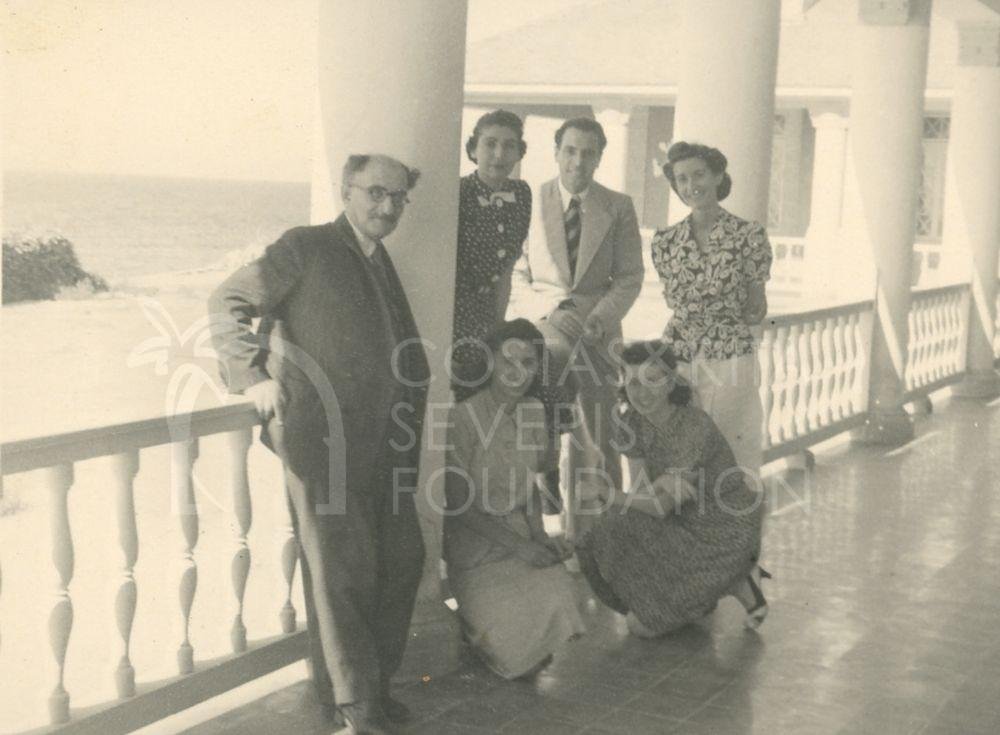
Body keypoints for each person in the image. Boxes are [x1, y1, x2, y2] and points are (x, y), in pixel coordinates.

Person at [209, 154, 428, 735]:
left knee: (403, 561)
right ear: (346, 190)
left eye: (398, 197)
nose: (387, 206)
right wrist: (251, 376)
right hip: (319, 441)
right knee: (341, 572)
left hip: (383, 446)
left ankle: (366, 689)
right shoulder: (304, 246)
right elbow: (228, 302)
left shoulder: (378, 259)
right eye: (375, 193)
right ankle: (359, 707)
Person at [576, 340, 769, 638]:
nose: (642, 393)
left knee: (640, 628)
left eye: (653, 380)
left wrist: (604, 492)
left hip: (722, 528)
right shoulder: (631, 422)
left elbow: (659, 507)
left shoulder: (693, 425)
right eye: (634, 383)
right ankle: (708, 589)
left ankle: (727, 580)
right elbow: (642, 491)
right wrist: (660, 484)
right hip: (682, 519)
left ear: (670, 383)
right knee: (601, 535)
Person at [508, 116, 644, 533]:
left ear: (600, 157)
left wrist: (598, 318)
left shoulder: (617, 207)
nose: (578, 161)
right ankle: (543, 529)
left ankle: (597, 538)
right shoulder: (529, 200)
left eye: (588, 152)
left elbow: (628, 277)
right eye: (570, 150)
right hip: (544, 327)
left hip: (596, 333)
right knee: (537, 426)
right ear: (556, 153)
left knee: (596, 438)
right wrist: (548, 312)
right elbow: (515, 273)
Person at [443, 319, 586, 679]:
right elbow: (458, 506)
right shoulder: (462, 417)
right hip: (476, 549)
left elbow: (532, 484)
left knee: (562, 599)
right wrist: (522, 548)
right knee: (515, 660)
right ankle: (480, 634)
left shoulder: (535, 410)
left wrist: (539, 537)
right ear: (489, 361)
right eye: (508, 360)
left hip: (520, 537)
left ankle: (498, 638)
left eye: (528, 362)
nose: (517, 372)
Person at [452, 109, 574, 513]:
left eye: (509, 145)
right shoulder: (458, 194)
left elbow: (505, 272)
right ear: (473, 149)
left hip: (489, 314)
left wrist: (498, 327)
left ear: (520, 152)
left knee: (541, 363)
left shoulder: (522, 195)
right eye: (490, 143)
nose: (499, 153)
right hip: (453, 313)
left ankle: (543, 473)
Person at [651, 141, 772, 477]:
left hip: (731, 354)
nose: (692, 186)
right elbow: (672, 299)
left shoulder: (749, 236)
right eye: (683, 179)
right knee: (679, 453)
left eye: (700, 175)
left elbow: (756, 306)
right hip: (679, 355)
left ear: (718, 175)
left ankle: (733, 525)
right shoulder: (665, 241)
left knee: (733, 451)